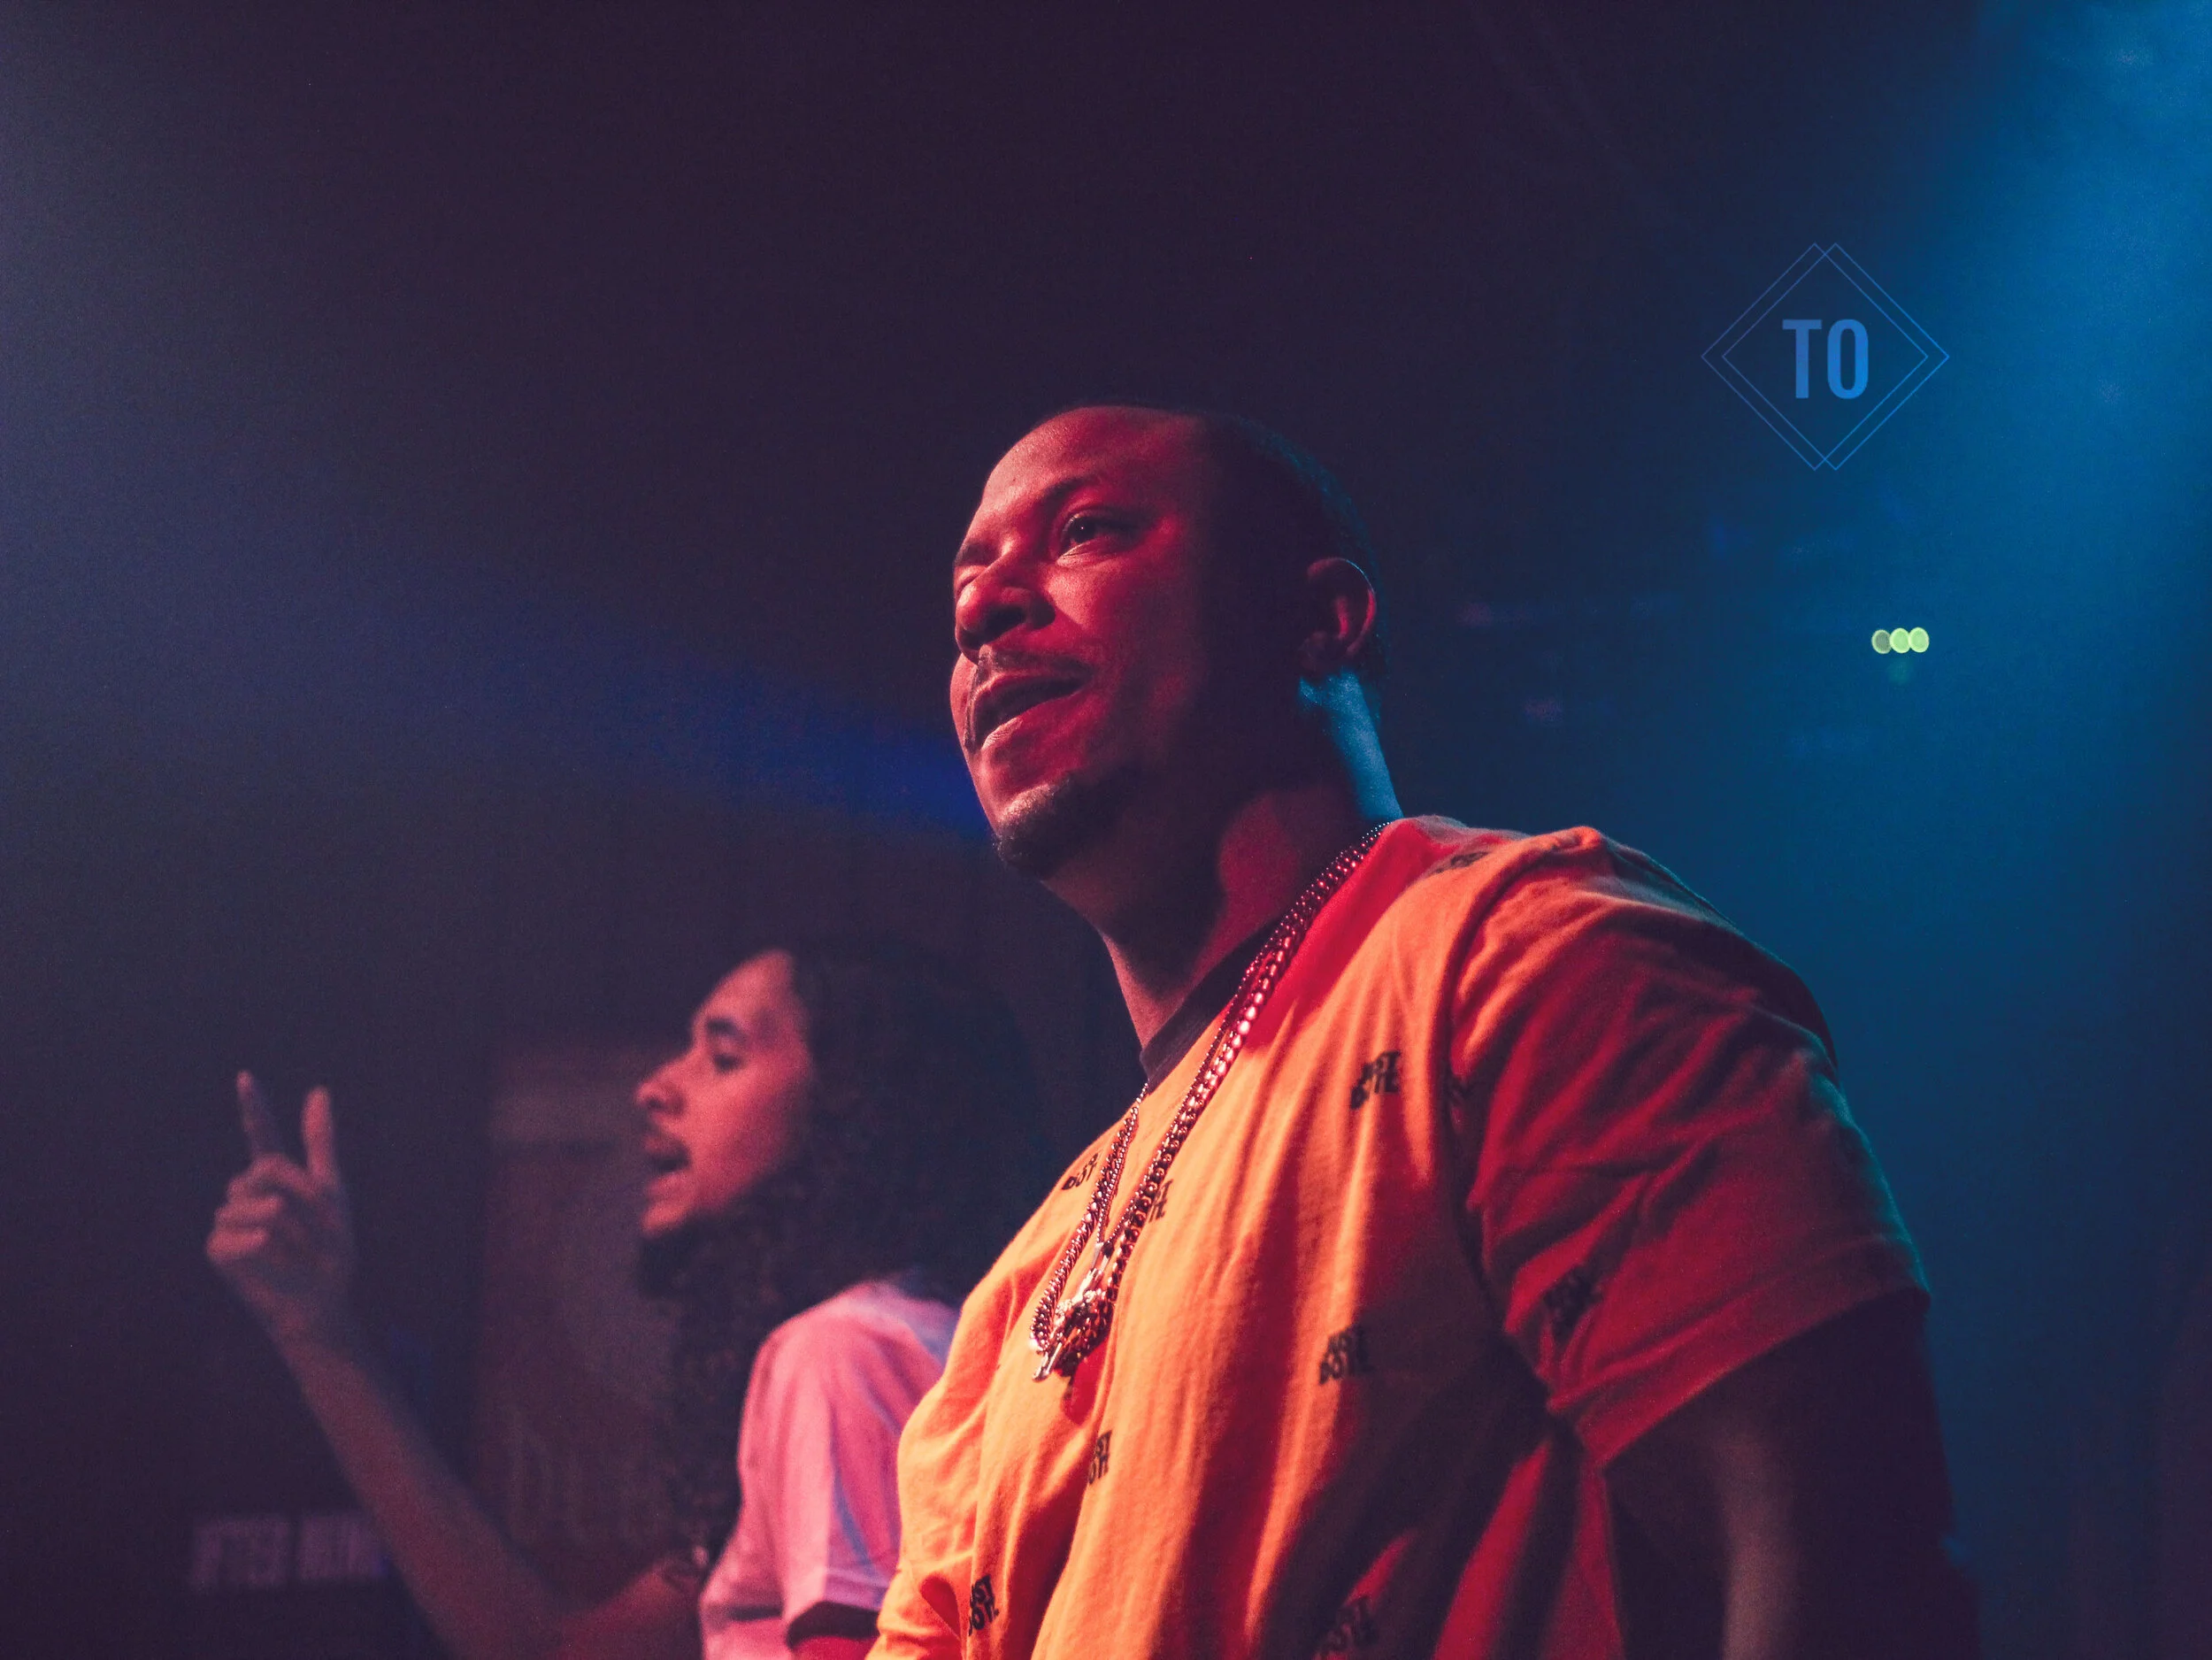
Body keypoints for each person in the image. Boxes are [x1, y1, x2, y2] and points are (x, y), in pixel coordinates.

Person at [873, 404, 1977, 1659]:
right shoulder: (1023, 1285)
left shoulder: (1527, 959)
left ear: (1322, 618)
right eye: (968, 583)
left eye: (1083, 533)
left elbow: (1847, 1563)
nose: (985, 611)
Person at [208, 940, 1035, 1660]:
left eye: (723, 1056)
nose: (654, 1088)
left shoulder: (842, 1350)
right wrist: (318, 1333)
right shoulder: (914, 1343)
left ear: (859, 1109)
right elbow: (552, 1651)